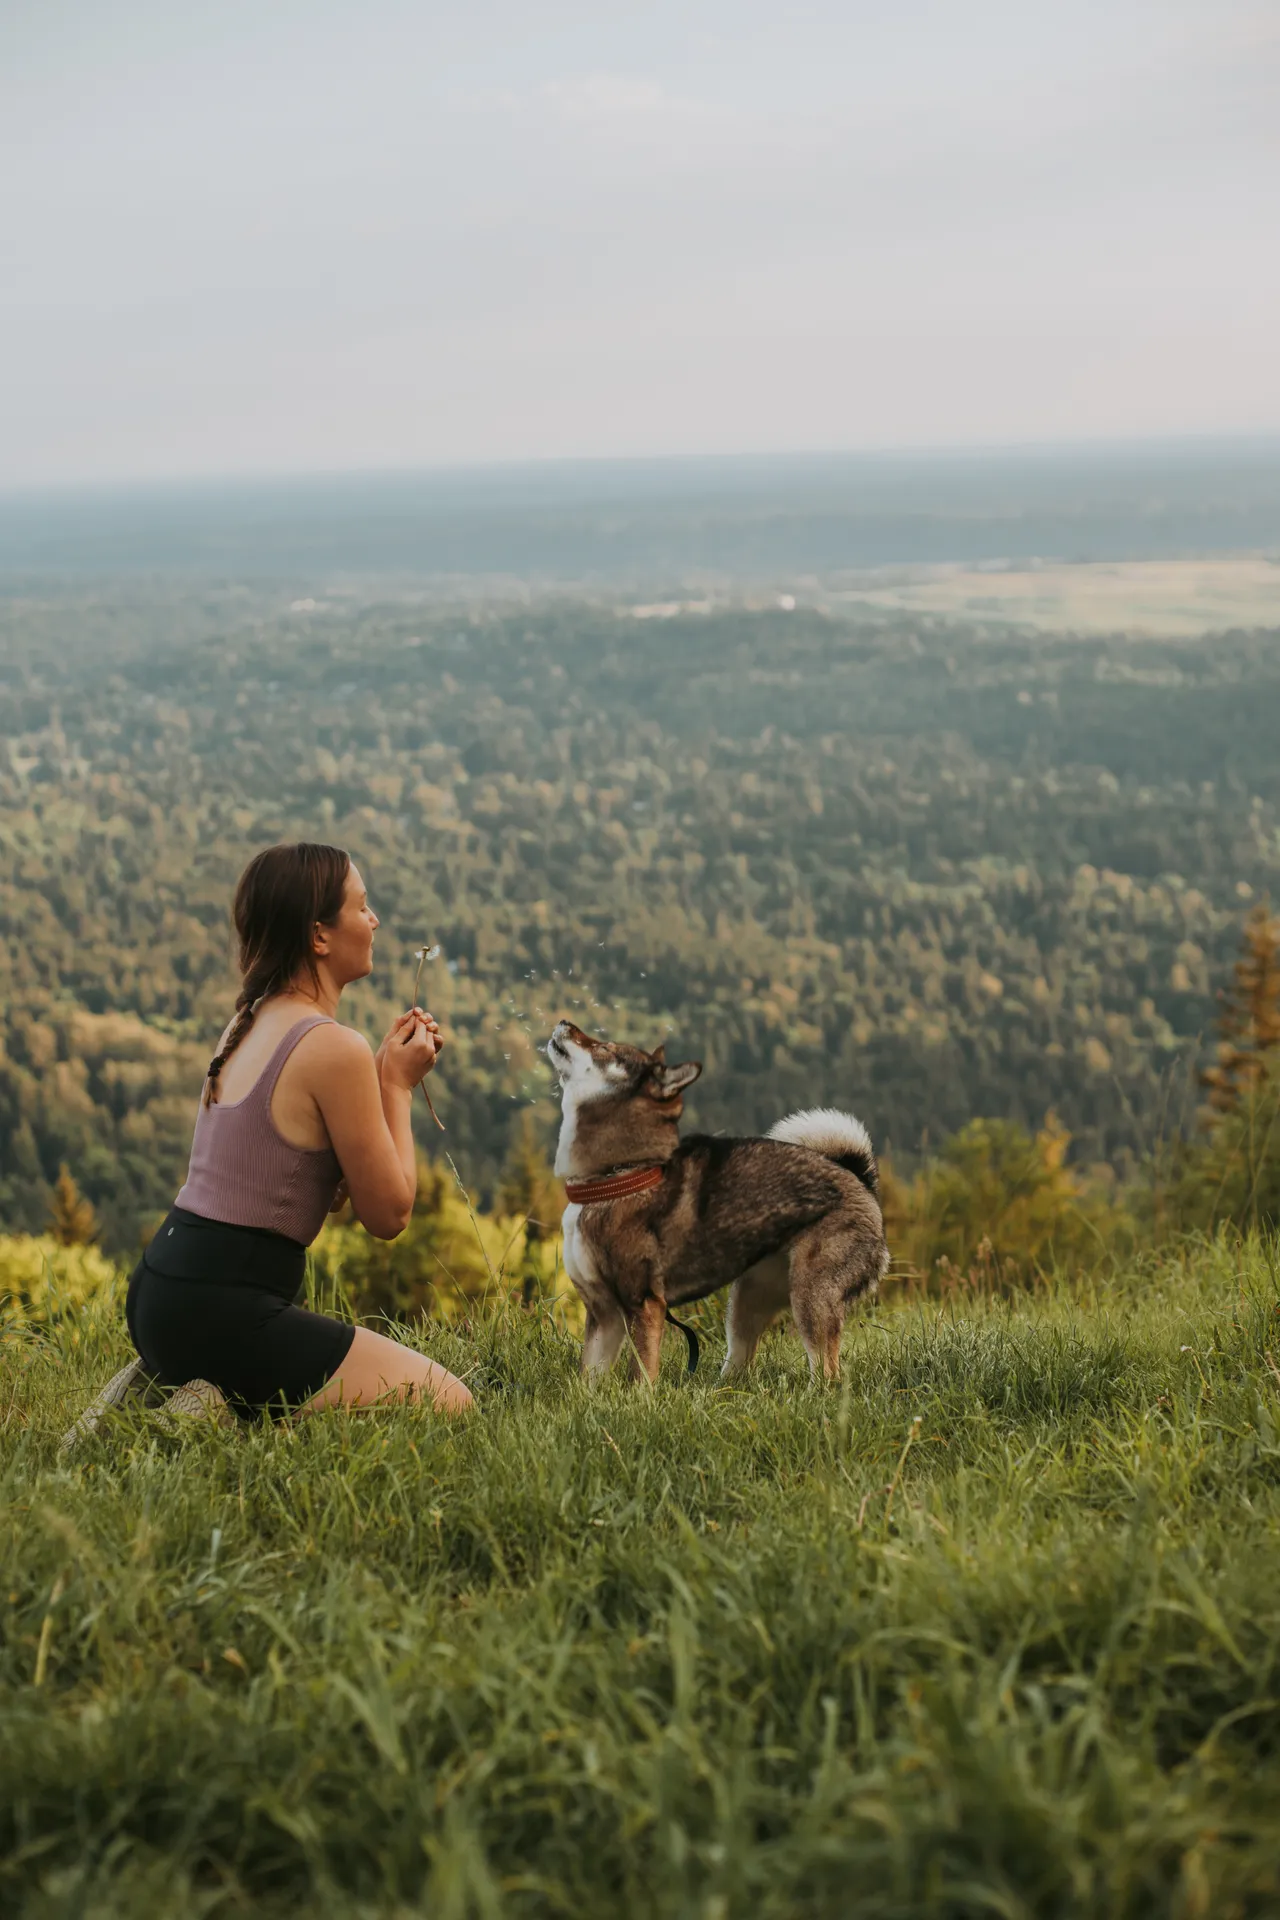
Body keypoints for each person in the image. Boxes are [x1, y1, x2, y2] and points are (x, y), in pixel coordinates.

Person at [62, 841, 472, 1448]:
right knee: (449, 1402)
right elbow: (389, 1215)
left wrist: (378, 1080)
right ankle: (208, 1415)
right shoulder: (336, 1048)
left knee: (263, 1359)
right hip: (228, 1313)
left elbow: (305, 1184)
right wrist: (396, 1085)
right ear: (319, 936)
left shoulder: (248, 1020)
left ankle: (166, 1386)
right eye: (362, 907)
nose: (375, 920)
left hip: (160, 1289)